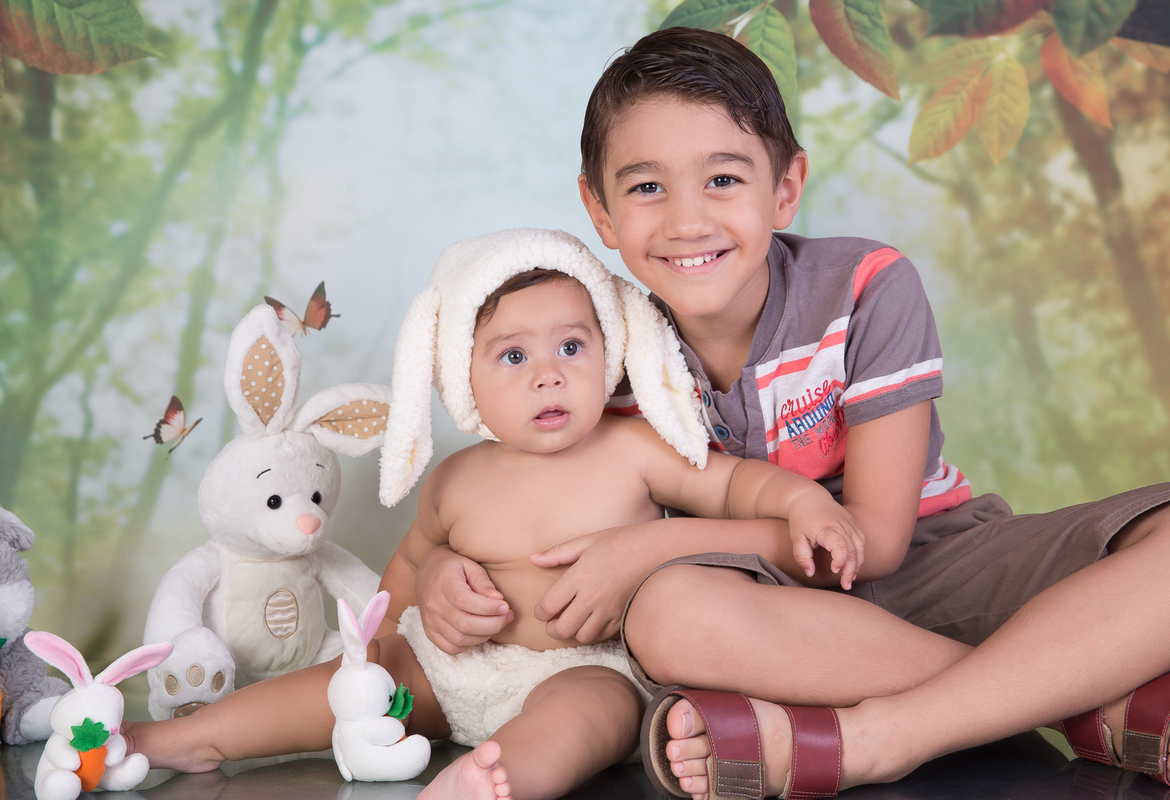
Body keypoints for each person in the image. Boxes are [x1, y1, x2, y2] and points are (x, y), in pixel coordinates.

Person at [413, 26, 1170, 799]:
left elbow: (876, 543)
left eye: (724, 179)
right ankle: (1075, 699)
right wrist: (445, 573)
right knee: (668, 616)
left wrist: (644, 548)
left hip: (936, 562)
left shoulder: (866, 287)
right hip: (761, 613)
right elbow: (516, 504)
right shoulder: (593, 349)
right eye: (647, 187)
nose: (687, 221)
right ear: (601, 209)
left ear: (786, 187)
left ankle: (882, 735)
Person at [123, 227, 869, 800]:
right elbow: (408, 569)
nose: (549, 375)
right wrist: (383, 641)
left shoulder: (636, 450)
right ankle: (190, 737)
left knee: (585, 717)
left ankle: (492, 779)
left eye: (571, 346)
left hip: (589, 665)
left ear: (609, 353)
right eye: (514, 357)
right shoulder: (456, 479)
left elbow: (738, 487)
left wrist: (803, 501)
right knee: (353, 681)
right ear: (464, 379)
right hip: (445, 668)